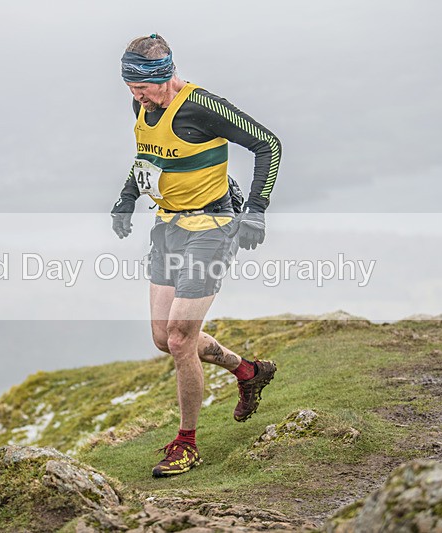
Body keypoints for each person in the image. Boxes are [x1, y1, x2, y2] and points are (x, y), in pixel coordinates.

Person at [111, 34, 283, 478]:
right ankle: (246, 371)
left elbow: (268, 144)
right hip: (168, 228)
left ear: (165, 76)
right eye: (130, 89)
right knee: (163, 338)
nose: (136, 97)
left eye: (142, 88)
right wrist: (128, 197)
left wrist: (256, 213)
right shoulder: (143, 108)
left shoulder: (201, 106)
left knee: (181, 338)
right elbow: (148, 156)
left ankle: (186, 444)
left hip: (211, 227)